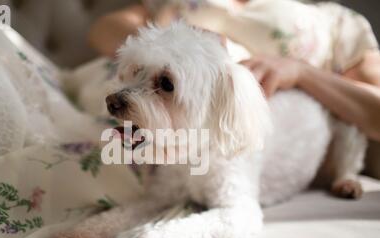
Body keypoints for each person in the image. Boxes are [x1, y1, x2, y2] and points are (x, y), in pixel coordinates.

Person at [88, 0, 380, 143]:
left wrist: (302, 73)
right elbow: (102, 31)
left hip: (237, 142)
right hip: (139, 117)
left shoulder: (338, 23)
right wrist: (177, 45)